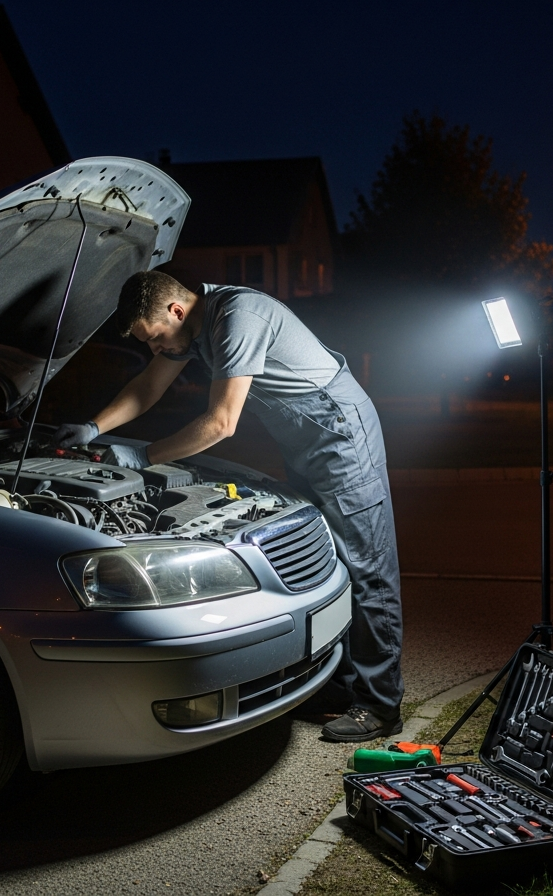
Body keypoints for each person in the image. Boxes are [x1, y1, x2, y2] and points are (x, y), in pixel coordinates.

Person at [52, 271, 403, 742]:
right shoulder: (192, 332)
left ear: (176, 311)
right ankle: (343, 686)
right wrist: (93, 428)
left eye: (154, 339)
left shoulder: (236, 318)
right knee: (331, 561)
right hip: (306, 438)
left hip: (337, 432)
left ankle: (380, 706)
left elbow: (220, 423)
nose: (156, 351)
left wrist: (143, 455)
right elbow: (148, 386)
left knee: (366, 567)